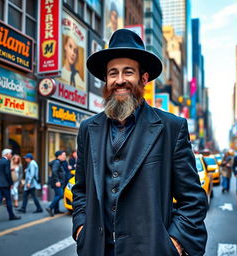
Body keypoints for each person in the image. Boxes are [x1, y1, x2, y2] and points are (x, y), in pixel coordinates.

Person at [71, 29, 208, 256]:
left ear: (143, 78)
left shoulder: (171, 128)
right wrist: (81, 228)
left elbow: (192, 199)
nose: (120, 80)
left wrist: (173, 243)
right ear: (106, 79)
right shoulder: (88, 128)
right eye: (113, 73)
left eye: (128, 72)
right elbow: (81, 189)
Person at [0, 149, 21, 224]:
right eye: (10, 154)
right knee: (8, 200)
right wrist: (11, 183)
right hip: (5, 185)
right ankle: (11, 216)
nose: (11, 155)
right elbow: (8, 174)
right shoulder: (7, 162)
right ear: (6, 154)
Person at [46, 150, 67, 217]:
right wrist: (57, 181)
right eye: (63, 155)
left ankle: (56, 210)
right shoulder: (57, 162)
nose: (65, 156)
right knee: (60, 195)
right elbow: (54, 171)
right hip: (57, 182)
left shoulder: (59, 162)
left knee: (57, 195)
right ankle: (50, 207)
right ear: (59, 156)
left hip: (58, 182)